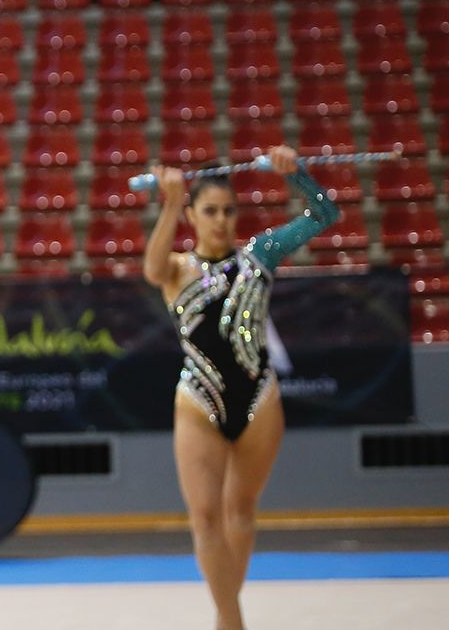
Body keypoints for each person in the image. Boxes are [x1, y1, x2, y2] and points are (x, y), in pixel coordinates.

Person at [141, 146, 339, 630]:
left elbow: (324, 213)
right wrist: (168, 203)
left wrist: (299, 173)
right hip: (197, 401)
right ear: (191, 214)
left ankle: (227, 615)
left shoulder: (260, 255)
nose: (222, 219)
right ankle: (232, 621)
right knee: (206, 519)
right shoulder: (177, 270)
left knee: (241, 511)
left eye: (230, 210)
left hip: (259, 398)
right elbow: (150, 270)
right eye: (210, 210)